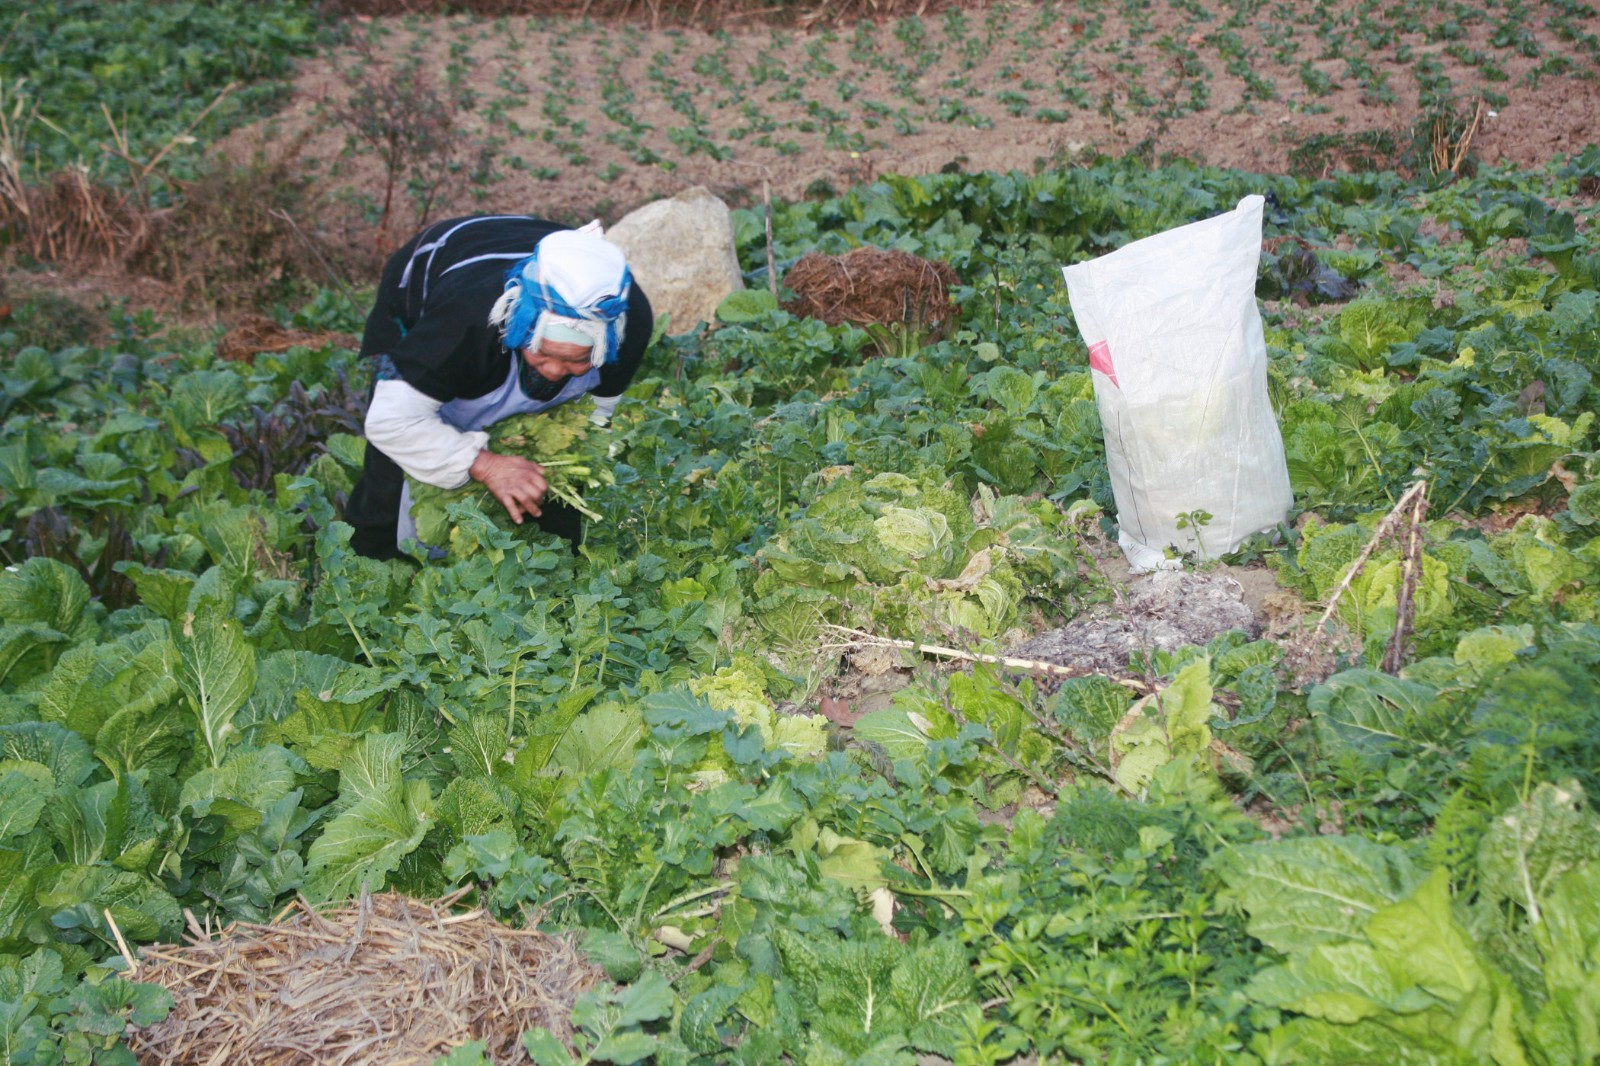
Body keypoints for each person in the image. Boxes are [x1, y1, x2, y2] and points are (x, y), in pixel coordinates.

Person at [344, 215, 653, 560]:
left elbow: (593, 419)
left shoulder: (631, 325)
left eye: (577, 361)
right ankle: (371, 559)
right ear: (519, 324)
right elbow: (391, 422)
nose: (554, 371)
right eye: (541, 352)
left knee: (555, 481)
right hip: (432, 270)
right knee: (391, 477)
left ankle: (544, 560)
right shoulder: (465, 321)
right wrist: (486, 465)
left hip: (517, 249)